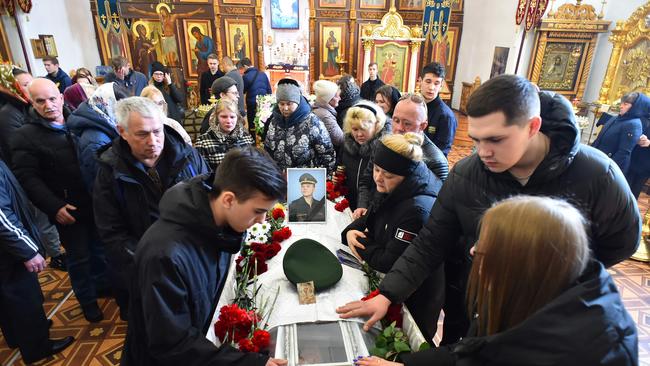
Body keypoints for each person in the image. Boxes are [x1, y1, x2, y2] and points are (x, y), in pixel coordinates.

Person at [336, 75, 641, 346]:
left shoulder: (597, 173)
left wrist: (554, 272)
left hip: (553, 312)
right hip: (474, 298)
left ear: (532, 127)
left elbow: (622, 240)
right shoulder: (469, 172)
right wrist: (388, 293)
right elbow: (432, 240)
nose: (483, 153)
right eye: (477, 140)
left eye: (496, 139)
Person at [355, 196, 638, 366]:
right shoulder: (539, 288)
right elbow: (478, 351)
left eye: (486, 247)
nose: (473, 251)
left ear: (520, 263)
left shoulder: (592, 350)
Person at [122, 147, 287, 366]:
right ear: (228, 199)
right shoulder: (164, 255)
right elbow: (172, 344)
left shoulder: (217, 227)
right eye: (257, 211)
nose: (262, 221)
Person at [94, 96, 208, 322]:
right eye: (142, 134)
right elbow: (112, 232)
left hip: (192, 259)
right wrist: (152, 262)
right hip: (144, 269)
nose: (153, 140)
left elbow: (208, 200)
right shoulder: (109, 172)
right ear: (122, 131)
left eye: (157, 131)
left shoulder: (188, 156)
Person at [11, 78, 109, 323]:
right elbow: (28, 178)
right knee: (79, 257)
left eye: (52, 98)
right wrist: (53, 206)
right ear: (31, 102)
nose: (48, 105)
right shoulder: (25, 135)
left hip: (94, 201)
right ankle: (87, 300)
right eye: (40, 101)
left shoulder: (78, 121)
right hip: (67, 208)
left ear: (62, 98)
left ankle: (101, 285)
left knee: (101, 249)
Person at [342, 132, 441, 341]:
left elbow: (389, 261)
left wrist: (358, 242)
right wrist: (350, 230)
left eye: (387, 175)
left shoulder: (417, 208)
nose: (378, 178)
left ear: (406, 176)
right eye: (377, 169)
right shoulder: (393, 186)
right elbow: (373, 212)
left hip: (415, 296)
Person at [0, 159, 75, 364]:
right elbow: (1, 217)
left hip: (6, 248)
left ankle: (18, 336)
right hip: (9, 250)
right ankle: (37, 346)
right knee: (24, 296)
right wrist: (28, 250)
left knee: (7, 296)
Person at [0, 67, 67, 271]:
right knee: (42, 221)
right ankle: (55, 254)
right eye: (26, 85)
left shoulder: (34, 112)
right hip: (37, 189)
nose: (48, 104)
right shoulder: (11, 117)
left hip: (62, 191)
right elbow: (25, 168)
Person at [354, 94, 448, 218]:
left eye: (407, 124)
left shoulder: (436, 160)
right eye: (396, 120)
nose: (399, 128)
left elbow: (436, 207)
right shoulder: (384, 143)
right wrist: (363, 205)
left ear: (423, 126)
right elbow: (366, 180)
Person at [264, 78, 336, 174]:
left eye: (289, 104)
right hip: (279, 178)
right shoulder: (274, 121)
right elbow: (268, 150)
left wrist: (322, 179)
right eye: (281, 104)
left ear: (297, 103)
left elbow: (327, 154)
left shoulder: (312, 122)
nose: (285, 108)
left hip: (306, 181)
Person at [67, 82, 130, 191]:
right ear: (109, 106)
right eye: (122, 110)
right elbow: (104, 184)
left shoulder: (104, 124)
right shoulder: (96, 141)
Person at [338, 102, 390, 211]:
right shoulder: (346, 145)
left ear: (376, 126)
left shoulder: (383, 149)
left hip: (372, 208)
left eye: (364, 129)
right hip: (348, 205)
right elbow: (339, 167)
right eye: (355, 129)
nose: (359, 134)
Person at [592, 91, 646, 176]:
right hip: (598, 161)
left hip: (608, 168)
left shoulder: (634, 124)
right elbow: (599, 140)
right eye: (622, 103)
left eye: (626, 104)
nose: (621, 106)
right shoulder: (615, 118)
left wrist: (607, 170)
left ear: (635, 107)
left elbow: (623, 153)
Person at [196, 99, 254, 170]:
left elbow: (253, 167)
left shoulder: (247, 138)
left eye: (232, 117)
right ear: (217, 117)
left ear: (237, 118)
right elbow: (202, 174)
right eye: (224, 117)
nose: (229, 121)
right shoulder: (203, 142)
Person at [419, 62, 457, 156]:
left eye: (436, 83)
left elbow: (441, 153)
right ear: (420, 81)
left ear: (441, 85)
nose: (431, 87)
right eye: (428, 81)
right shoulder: (414, 106)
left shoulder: (446, 116)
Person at [626, 93, 650, 198]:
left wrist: (649, 142)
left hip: (645, 162)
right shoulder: (640, 116)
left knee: (634, 192)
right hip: (630, 157)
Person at [241, 57, 272, 136]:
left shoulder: (246, 76)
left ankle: (253, 139)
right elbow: (269, 89)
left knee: (252, 122)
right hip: (263, 102)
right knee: (263, 120)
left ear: (245, 66)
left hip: (252, 103)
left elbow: (243, 90)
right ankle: (262, 137)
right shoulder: (263, 74)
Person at [312, 79, 344, 148]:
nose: (340, 98)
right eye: (337, 96)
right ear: (328, 99)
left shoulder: (320, 109)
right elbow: (340, 140)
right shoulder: (325, 116)